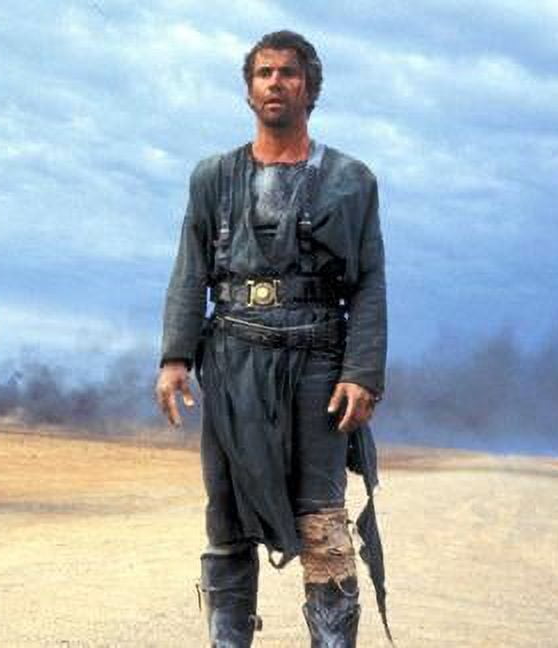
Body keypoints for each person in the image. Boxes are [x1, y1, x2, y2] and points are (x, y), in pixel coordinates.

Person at [155, 30, 390, 647]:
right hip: (233, 359)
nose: (275, 83)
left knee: (322, 520)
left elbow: (369, 281)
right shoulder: (213, 177)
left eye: (288, 73)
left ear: (310, 88)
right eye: (263, 73)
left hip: (318, 363)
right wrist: (176, 357)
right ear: (249, 90)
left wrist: (362, 372)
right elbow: (190, 270)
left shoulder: (351, 181)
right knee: (226, 513)